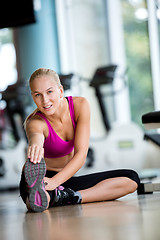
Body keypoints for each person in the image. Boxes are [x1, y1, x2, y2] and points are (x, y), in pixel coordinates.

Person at [19, 68, 140, 212]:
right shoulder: (36, 122)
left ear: (61, 91)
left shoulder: (80, 106)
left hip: (64, 179)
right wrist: (35, 146)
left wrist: (56, 182)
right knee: (39, 200)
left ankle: (69, 196)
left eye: (49, 92)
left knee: (131, 179)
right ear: (33, 97)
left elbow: (81, 154)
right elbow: (36, 136)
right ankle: (42, 196)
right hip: (43, 180)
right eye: (37, 95)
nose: (45, 100)